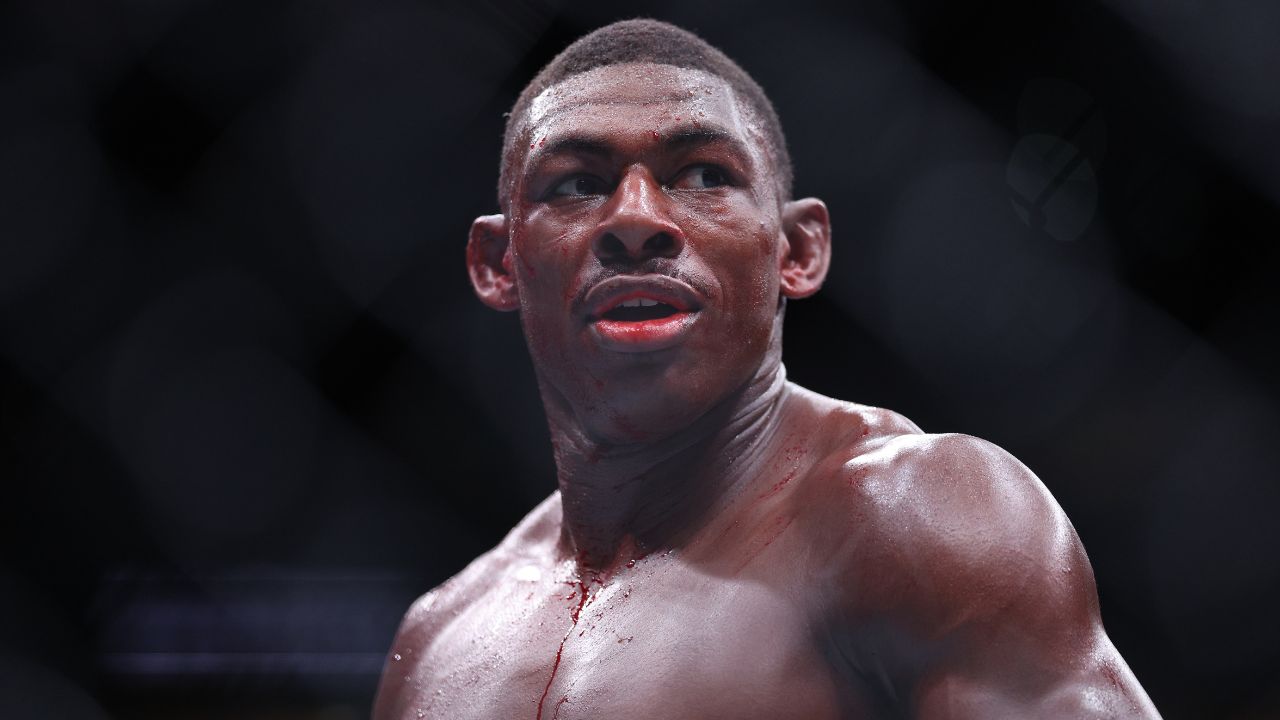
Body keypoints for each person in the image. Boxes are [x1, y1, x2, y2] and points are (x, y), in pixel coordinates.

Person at [373, 19, 1161, 720]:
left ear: (798, 250)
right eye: (578, 183)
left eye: (705, 175)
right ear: (498, 263)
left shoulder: (913, 519)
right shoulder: (441, 635)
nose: (638, 221)